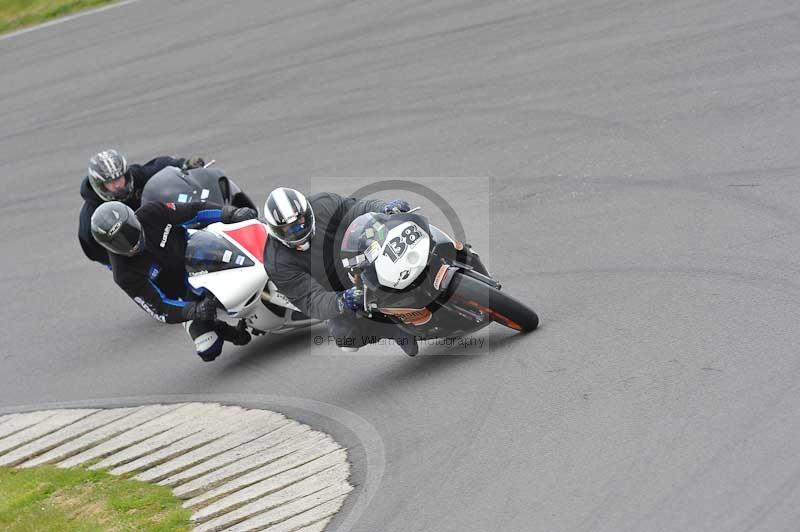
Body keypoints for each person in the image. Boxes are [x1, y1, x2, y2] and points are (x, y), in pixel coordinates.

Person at [91, 200, 257, 361]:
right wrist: (194, 310)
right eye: (118, 242)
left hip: (198, 254)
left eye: (128, 231)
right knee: (208, 349)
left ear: (133, 219)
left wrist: (229, 213)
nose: (129, 244)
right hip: (182, 293)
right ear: (107, 247)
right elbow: (159, 308)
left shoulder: (152, 213)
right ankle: (220, 328)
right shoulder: (123, 274)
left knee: (240, 247)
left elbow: (195, 210)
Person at [261, 187, 419, 355]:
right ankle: (391, 330)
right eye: (288, 228)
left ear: (307, 212)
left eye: (299, 220)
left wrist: (384, 208)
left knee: (396, 225)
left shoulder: (323, 204)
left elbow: (357, 209)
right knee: (345, 338)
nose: (297, 230)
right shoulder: (276, 262)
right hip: (338, 290)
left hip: (359, 253)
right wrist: (341, 300)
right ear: (275, 230)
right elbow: (310, 299)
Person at [79, 149, 206, 266]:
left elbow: (159, 166)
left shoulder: (134, 177)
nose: (118, 185)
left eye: (119, 178)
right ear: (99, 185)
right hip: (128, 250)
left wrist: (183, 164)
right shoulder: (89, 218)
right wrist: (125, 258)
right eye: (110, 182)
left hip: (154, 227)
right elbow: (94, 251)